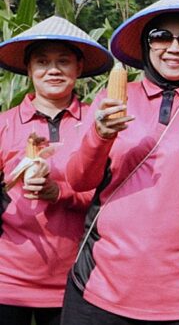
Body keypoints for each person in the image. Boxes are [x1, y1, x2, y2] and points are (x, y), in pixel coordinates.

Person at [61, 0, 179, 325]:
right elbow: (78, 179)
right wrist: (100, 135)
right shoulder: (113, 99)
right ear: (146, 45)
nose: (174, 47)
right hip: (101, 283)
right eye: (161, 36)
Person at [0, 16, 113, 325]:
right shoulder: (4, 123)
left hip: (78, 277)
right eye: (42, 62)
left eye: (63, 61)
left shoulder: (98, 123)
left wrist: (60, 192)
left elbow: (111, 194)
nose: (53, 70)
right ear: (28, 70)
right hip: (7, 279)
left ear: (78, 68)